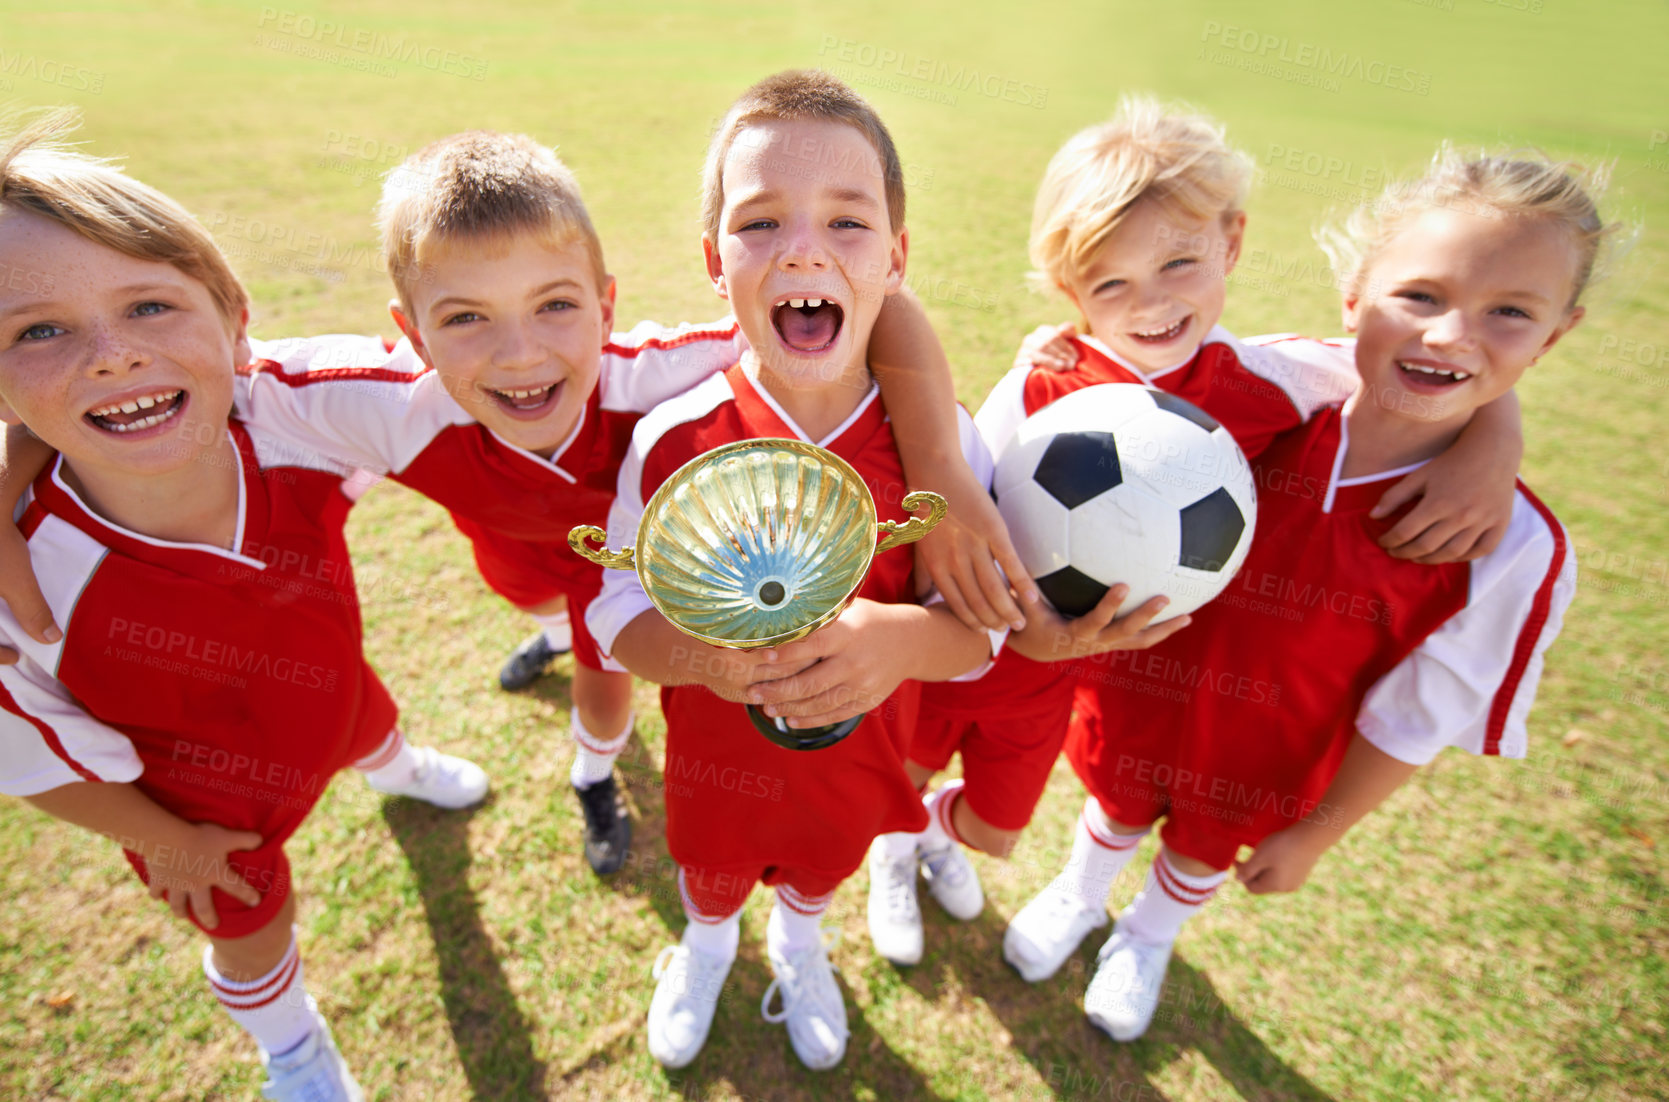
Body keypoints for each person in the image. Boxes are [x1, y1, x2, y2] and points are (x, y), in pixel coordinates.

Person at [0, 129, 1012, 877]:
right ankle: (555, 668)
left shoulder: (660, 367)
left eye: (556, 307)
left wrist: (949, 479)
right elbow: (174, 373)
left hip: (646, 579)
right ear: (410, 334)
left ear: (607, 306)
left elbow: (872, 316)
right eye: (464, 319)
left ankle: (589, 772)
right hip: (524, 556)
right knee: (563, 621)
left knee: (607, 659)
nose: (520, 355)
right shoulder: (382, 401)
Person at [0, 112, 490, 1101]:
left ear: (236, 316)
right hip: (191, 802)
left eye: (150, 306)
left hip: (328, 687)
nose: (113, 355)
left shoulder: (288, 410)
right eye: (39, 331)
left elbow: (486, 375)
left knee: (361, 718)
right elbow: (25, 762)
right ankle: (292, 1049)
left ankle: (398, 770)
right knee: (249, 923)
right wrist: (164, 839)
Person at [872, 97, 1526, 969]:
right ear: (1071, 292)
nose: (1149, 304)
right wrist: (1026, 627)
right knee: (908, 768)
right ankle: (896, 846)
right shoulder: (1038, 389)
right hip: (988, 652)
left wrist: (1494, 431)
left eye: (1179, 262)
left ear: (1233, 243)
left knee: (1001, 823)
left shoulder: (1281, 378)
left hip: (1111, 674)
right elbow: (958, 531)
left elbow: (1415, 371)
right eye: (1110, 284)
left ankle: (975, 859)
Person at [1020, 147, 1604, 1042]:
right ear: (1353, 293)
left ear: (1555, 334)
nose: (1448, 335)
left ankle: (1147, 935)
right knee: (1112, 799)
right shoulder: (1259, 392)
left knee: (1199, 845)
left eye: (1509, 313)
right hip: (1141, 687)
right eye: (1418, 296)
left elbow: (1415, 716)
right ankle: (1081, 892)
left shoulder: (1513, 546)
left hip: (1271, 750)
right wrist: (1048, 351)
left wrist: (1316, 836)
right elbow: (1110, 396)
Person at [586, 70, 1000, 1071]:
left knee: (821, 864)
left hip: (855, 764)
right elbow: (614, 609)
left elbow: (980, 636)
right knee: (713, 868)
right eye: (760, 222)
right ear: (710, 260)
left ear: (895, 258)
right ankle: (708, 943)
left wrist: (893, 639)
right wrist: (703, 657)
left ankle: (800, 943)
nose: (805, 248)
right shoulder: (675, 436)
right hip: (712, 758)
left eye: (847, 223)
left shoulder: (948, 449)